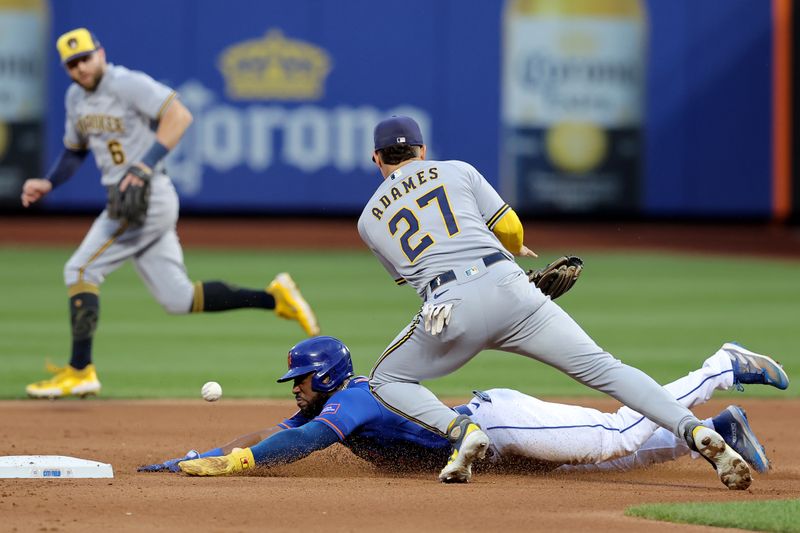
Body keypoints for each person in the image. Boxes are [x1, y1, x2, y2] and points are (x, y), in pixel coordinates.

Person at [354, 115, 787, 487]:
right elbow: (509, 228)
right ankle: (691, 429)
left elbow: (415, 272)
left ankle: (461, 430)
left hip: (450, 311)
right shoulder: (457, 170)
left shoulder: (368, 220)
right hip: (512, 286)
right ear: (422, 149)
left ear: (377, 159)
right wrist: (515, 255)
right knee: (605, 369)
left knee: (386, 379)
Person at [21, 28, 320, 399]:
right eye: (72, 64)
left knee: (81, 269)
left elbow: (179, 115)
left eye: (85, 58)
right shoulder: (75, 98)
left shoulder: (126, 83)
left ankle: (80, 370)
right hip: (129, 198)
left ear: (100, 52)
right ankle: (276, 298)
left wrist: (144, 165)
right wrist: (50, 183)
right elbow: (75, 150)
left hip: (147, 195)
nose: (80, 68)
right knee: (177, 299)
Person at [136, 336, 788, 478]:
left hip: (496, 420)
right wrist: (200, 456)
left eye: (300, 381)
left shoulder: (358, 398)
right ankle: (720, 428)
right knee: (614, 461)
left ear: (328, 379)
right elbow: (283, 429)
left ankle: (720, 365)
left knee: (614, 433)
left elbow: (295, 445)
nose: (295, 390)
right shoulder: (334, 400)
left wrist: (241, 461)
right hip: (495, 450)